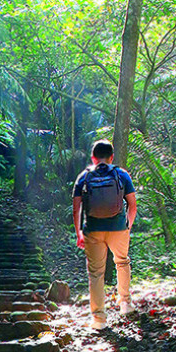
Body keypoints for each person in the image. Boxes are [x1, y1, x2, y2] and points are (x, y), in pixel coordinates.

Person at [73, 139, 137, 331]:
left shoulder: (83, 177)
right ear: (111, 157)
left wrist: (78, 233)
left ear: (93, 158)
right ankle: (125, 304)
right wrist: (127, 227)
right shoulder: (121, 174)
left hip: (93, 229)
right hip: (118, 228)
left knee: (96, 273)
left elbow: (76, 209)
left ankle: (99, 319)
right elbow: (132, 206)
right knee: (122, 262)